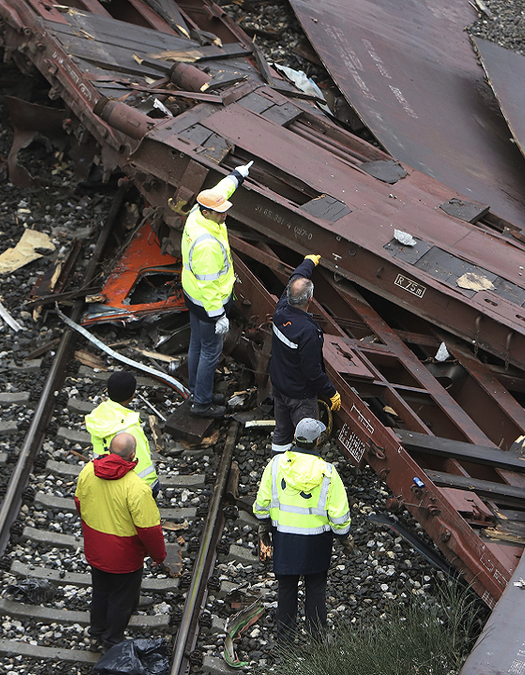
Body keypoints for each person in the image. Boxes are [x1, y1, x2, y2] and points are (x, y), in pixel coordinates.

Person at [253, 418, 353, 643]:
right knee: (316, 588)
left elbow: (262, 502)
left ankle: (285, 640)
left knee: (286, 588)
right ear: (317, 441)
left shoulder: (276, 464)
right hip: (316, 542)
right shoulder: (328, 472)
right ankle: (317, 638)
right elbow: (338, 513)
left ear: (295, 438)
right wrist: (344, 536)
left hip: (285, 540)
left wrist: (263, 526)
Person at [75, 432, 168, 651]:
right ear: (133, 454)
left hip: (96, 548)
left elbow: (79, 503)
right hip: (124, 557)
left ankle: (96, 634)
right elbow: (149, 530)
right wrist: (159, 556)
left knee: (100, 592)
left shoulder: (89, 470)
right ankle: (112, 642)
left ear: (110, 450)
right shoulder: (136, 488)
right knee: (121, 600)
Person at [182, 161, 254, 418]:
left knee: (196, 345)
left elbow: (220, 190)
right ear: (208, 213)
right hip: (207, 304)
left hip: (193, 298)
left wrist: (237, 175)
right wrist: (218, 316)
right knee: (210, 351)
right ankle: (201, 402)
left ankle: (196, 390)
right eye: (220, 213)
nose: (225, 215)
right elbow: (209, 285)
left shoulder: (197, 214)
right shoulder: (207, 245)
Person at [268, 253, 341, 453]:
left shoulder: (281, 310)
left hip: (280, 386)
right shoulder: (307, 331)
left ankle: (277, 466)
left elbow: (295, 279)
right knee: (307, 438)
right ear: (310, 299)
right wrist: (331, 392)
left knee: (282, 431)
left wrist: (308, 263)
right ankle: (304, 475)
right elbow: (312, 371)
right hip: (300, 395)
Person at [85, 371, 158, 495]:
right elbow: (143, 464)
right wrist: (153, 487)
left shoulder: (99, 417)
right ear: (132, 394)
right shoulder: (130, 428)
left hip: (104, 479)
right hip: (130, 488)